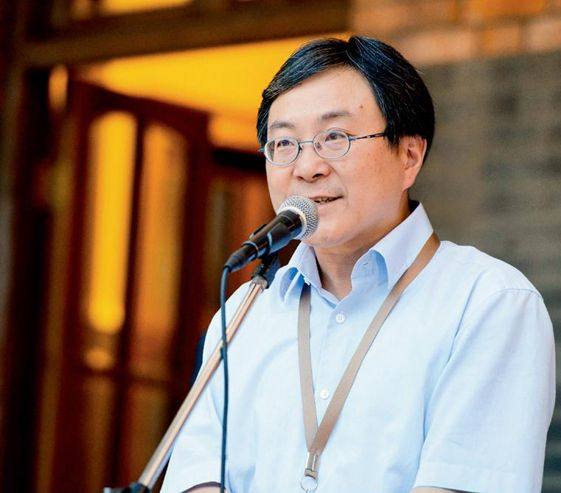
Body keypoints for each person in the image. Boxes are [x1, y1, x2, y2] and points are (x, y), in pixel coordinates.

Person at [161, 36, 555, 493]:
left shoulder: (488, 302)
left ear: (409, 156)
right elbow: (194, 480)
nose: (307, 167)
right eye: (283, 143)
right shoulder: (242, 317)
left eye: (335, 138)